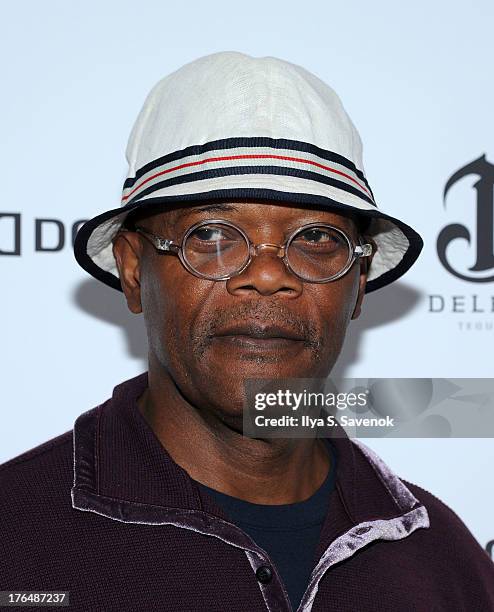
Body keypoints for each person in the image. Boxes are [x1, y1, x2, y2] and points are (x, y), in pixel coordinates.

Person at [1, 51, 493, 612]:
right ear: (133, 271)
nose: (266, 275)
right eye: (212, 235)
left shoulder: (445, 564)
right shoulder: (14, 540)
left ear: (358, 283)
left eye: (316, 239)